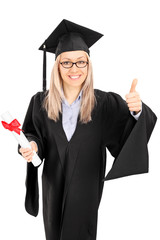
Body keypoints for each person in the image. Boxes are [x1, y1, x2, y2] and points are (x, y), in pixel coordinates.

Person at [18, 19, 157, 240]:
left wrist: (138, 111)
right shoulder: (40, 102)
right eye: (67, 63)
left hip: (87, 188)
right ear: (57, 66)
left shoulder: (105, 103)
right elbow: (33, 134)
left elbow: (128, 135)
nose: (75, 69)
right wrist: (32, 146)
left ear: (88, 65)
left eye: (81, 62)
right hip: (53, 186)